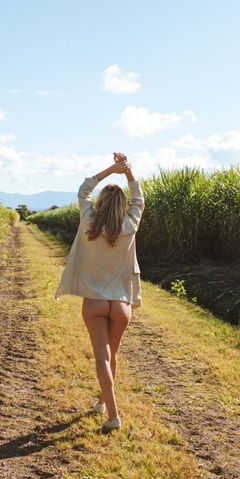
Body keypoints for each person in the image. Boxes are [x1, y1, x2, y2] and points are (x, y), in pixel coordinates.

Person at [55, 152, 145, 433]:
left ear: (101, 202)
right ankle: (102, 402)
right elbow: (139, 199)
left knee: (102, 358)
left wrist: (111, 170)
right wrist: (127, 171)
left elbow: (84, 189)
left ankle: (113, 416)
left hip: (94, 302)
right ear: (123, 206)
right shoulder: (130, 225)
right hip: (121, 304)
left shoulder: (89, 221)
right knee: (112, 355)